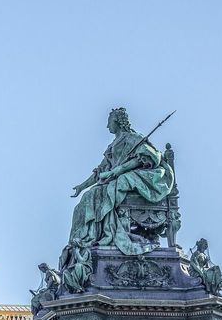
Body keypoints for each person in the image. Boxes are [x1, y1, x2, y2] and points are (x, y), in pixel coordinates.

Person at [69, 108, 175, 256]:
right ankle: (87, 238)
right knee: (88, 197)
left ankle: (103, 236)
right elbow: (100, 171)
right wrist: (81, 187)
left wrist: (119, 170)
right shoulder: (112, 146)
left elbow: (148, 158)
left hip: (139, 181)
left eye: (109, 122)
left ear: (117, 122)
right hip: (114, 181)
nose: (107, 126)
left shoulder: (133, 138)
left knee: (115, 185)